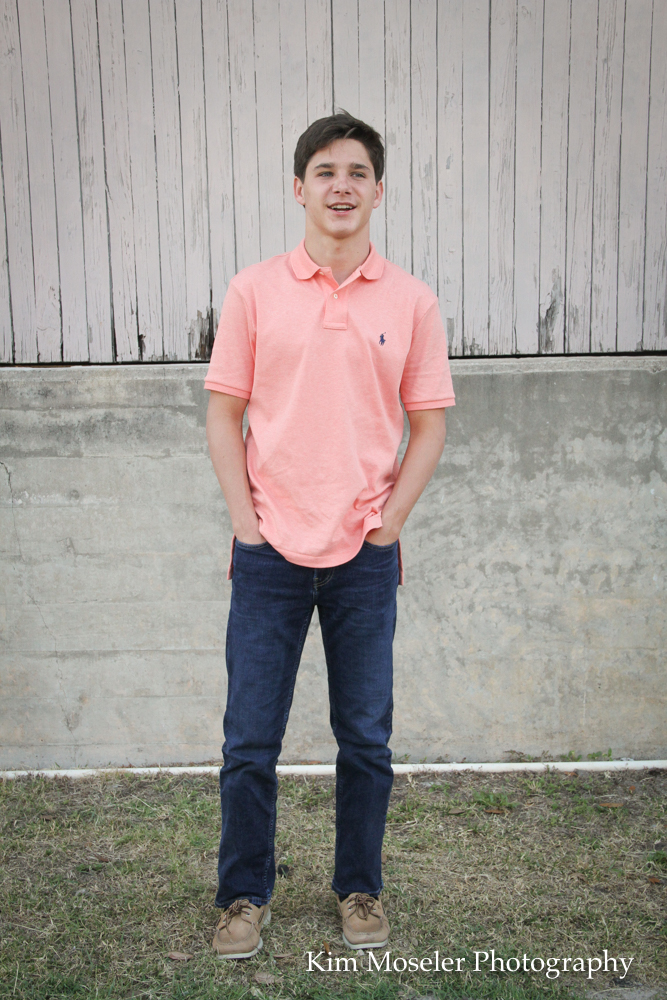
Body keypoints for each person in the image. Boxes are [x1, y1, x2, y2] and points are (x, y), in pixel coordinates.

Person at [204, 112, 455, 959]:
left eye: (356, 173)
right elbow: (224, 413)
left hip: (363, 557)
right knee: (249, 741)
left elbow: (428, 424)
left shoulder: (410, 300)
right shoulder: (253, 291)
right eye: (324, 171)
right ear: (298, 188)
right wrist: (246, 524)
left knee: (365, 740)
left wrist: (389, 525)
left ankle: (359, 889)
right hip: (269, 551)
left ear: (378, 191)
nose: (340, 186)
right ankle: (242, 897)